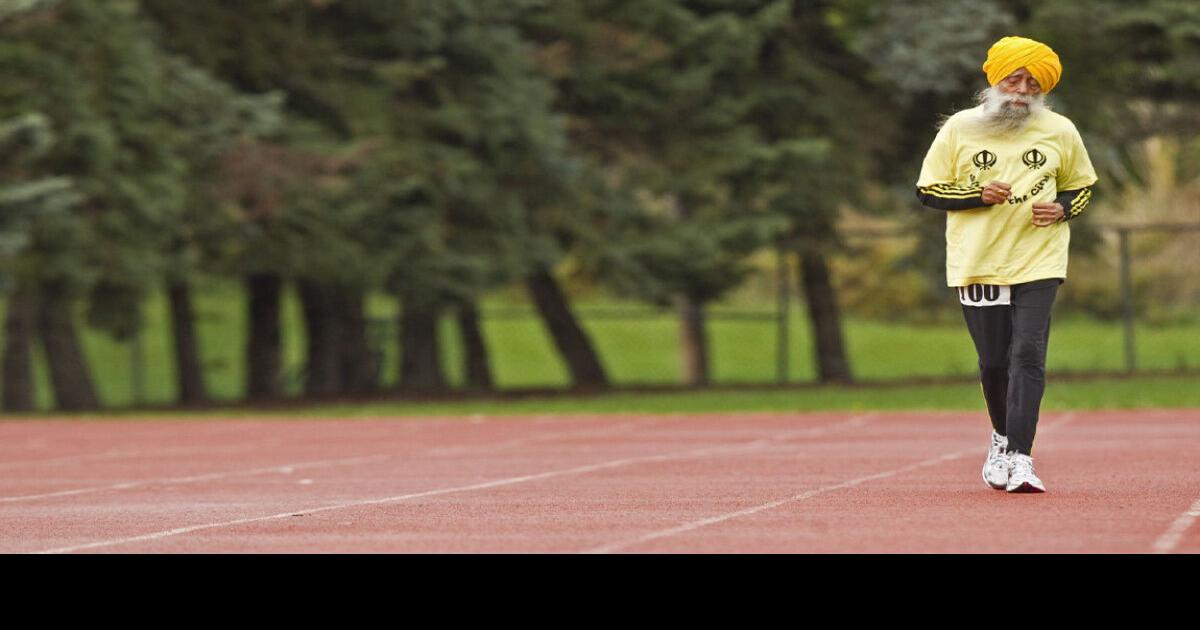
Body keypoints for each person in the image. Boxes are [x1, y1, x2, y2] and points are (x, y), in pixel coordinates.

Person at [915, 36, 1098, 493]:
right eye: (1013, 80)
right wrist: (977, 195)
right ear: (994, 80)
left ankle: (1020, 457)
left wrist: (1062, 208)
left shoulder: (1060, 130)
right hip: (978, 262)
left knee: (1028, 354)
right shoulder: (959, 128)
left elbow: (1082, 187)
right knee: (995, 362)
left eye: (1032, 85)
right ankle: (1001, 436)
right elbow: (928, 190)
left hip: (1040, 259)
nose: (1021, 91)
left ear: (1043, 91)